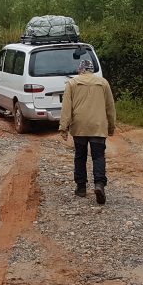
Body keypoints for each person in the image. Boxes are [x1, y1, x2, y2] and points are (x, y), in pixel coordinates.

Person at [59, 58, 116, 204]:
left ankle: (81, 187)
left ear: (80, 69)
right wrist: (111, 127)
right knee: (98, 156)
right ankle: (99, 184)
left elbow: (66, 107)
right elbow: (110, 107)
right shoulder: (103, 83)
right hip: (98, 125)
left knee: (80, 156)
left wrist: (63, 127)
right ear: (92, 70)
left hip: (79, 126)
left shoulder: (72, 83)